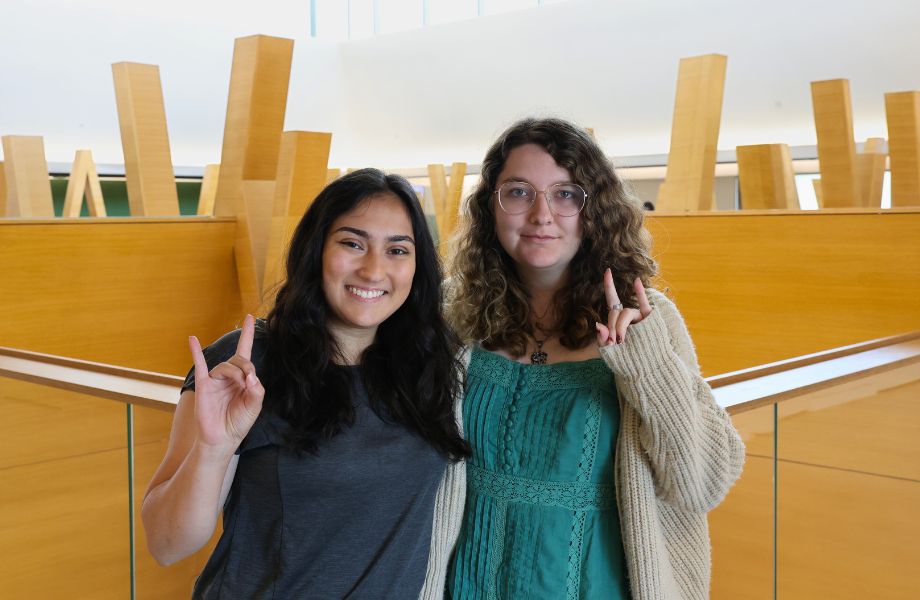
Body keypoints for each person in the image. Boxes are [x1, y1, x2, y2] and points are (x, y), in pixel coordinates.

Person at [445, 118, 745, 599]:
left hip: (594, 585)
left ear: (595, 210)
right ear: (491, 207)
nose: (542, 214)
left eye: (566, 194)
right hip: (467, 583)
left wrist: (645, 366)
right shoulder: (454, 317)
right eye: (519, 192)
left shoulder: (646, 317)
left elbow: (701, 485)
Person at [142, 169, 469, 599]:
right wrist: (213, 450)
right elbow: (167, 544)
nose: (373, 270)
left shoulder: (429, 365)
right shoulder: (247, 364)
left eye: (397, 250)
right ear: (316, 250)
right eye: (352, 243)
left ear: (417, 266)